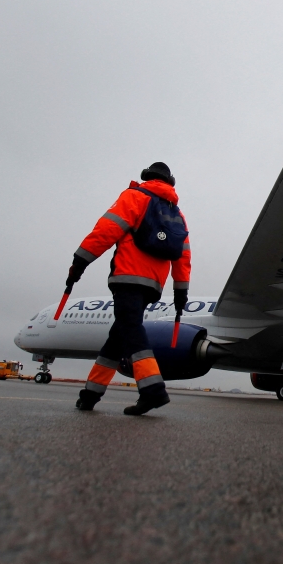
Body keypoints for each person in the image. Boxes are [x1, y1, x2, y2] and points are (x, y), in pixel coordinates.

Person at [68, 162, 191, 416]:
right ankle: (90, 395)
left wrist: (80, 261)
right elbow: (183, 256)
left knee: (130, 329)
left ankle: (152, 390)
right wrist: (181, 291)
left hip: (127, 276)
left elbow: (105, 231)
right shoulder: (176, 213)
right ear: (170, 183)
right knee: (118, 336)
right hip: (153, 284)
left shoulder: (134, 197)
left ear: (147, 178)